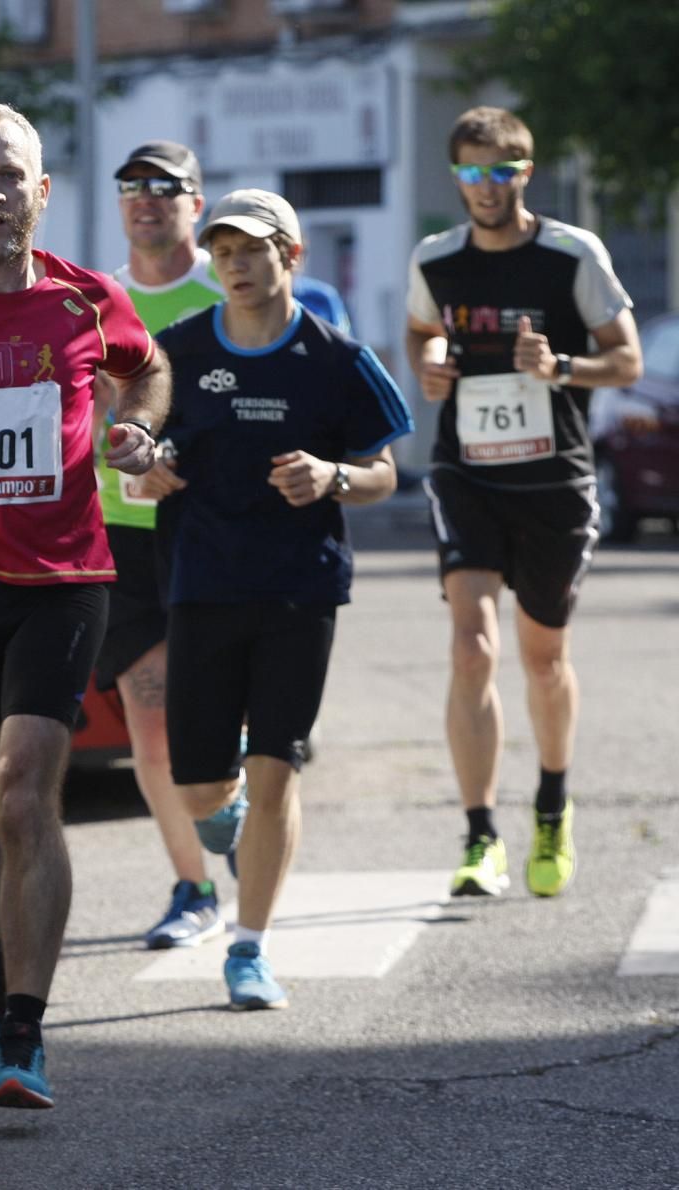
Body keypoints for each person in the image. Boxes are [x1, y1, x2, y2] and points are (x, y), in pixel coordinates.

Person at [0, 103, 168, 1108]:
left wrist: (138, 432)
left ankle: (23, 1025)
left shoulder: (85, 299)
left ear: (42, 192)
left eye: (11, 176)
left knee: (23, 788)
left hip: (62, 581)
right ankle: (4, 953)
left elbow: (149, 372)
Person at [142, 188, 413, 1009]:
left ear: (290, 257)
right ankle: (234, 827)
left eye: (252, 251)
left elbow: (385, 473)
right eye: (223, 253)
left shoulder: (336, 358)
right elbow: (130, 443)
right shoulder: (176, 351)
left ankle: (249, 947)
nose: (235, 266)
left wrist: (335, 476)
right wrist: (143, 464)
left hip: (299, 589)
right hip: (202, 584)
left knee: (278, 767)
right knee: (200, 788)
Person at [94, 140, 354, 951]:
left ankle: (248, 846)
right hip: (123, 532)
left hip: (216, 538)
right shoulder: (100, 300)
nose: (146, 200)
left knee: (238, 726)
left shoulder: (229, 289)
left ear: (196, 205)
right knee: (149, 725)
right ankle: (193, 886)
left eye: (165, 187)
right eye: (131, 187)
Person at [405, 106, 641, 901]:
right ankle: (479, 836)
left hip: (554, 485)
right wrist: (431, 363)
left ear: (525, 173)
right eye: (472, 171)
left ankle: (551, 804)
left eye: (502, 170)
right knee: (472, 648)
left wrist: (564, 366)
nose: (487, 186)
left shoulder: (573, 254)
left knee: (543, 659)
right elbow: (419, 332)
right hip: (467, 475)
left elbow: (628, 361)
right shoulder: (436, 259)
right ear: (457, 177)